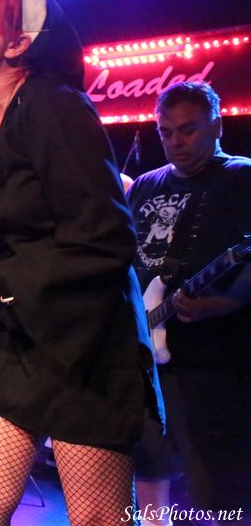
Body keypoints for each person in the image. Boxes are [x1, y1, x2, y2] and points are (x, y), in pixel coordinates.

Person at [0, 0, 162, 525]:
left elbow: (108, 239)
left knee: (98, 519)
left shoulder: (56, 107)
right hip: (25, 340)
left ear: (18, 42)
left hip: (89, 347)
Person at [129, 82, 251, 525]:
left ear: (217, 126)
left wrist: (229, 302)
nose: (176, 142)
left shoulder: (241, 177)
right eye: (166, 132)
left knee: (216, 480)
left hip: (212, 359)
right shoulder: (145, 184)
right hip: (146, 355)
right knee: (149, 463)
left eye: (188, 130)